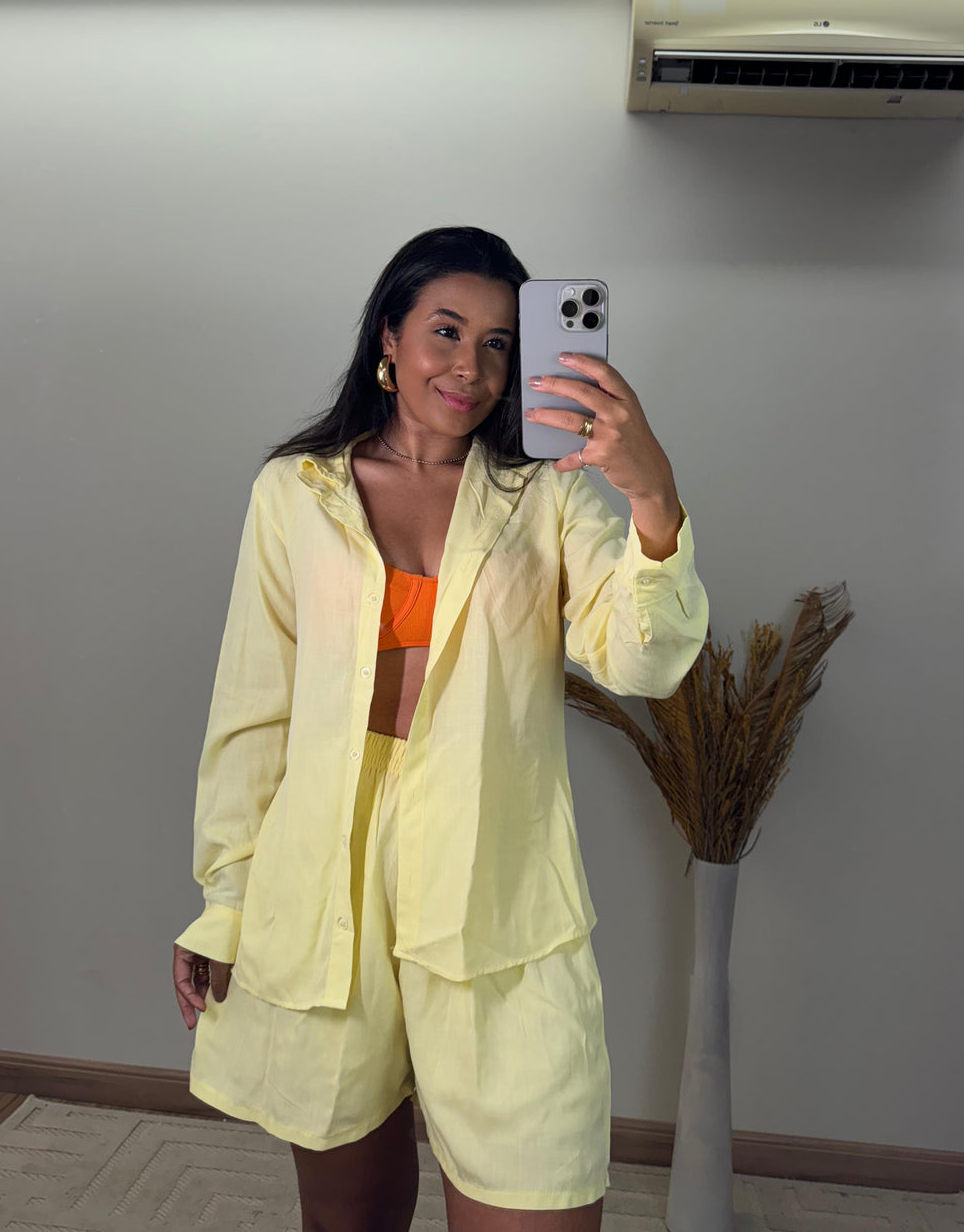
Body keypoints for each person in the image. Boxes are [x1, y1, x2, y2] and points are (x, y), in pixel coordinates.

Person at [171, 226, 709, 1231]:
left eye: (500, 342)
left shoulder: (544, 493)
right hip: (324, 884)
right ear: (390, 334)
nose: (471, 366)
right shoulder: (296, 492)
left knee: (535, 1186)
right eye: (447, 331)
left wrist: (650, 490)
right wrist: (225, 904)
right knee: (348, 1215)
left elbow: (647, 660)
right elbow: (253, 712)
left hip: (495, 882)